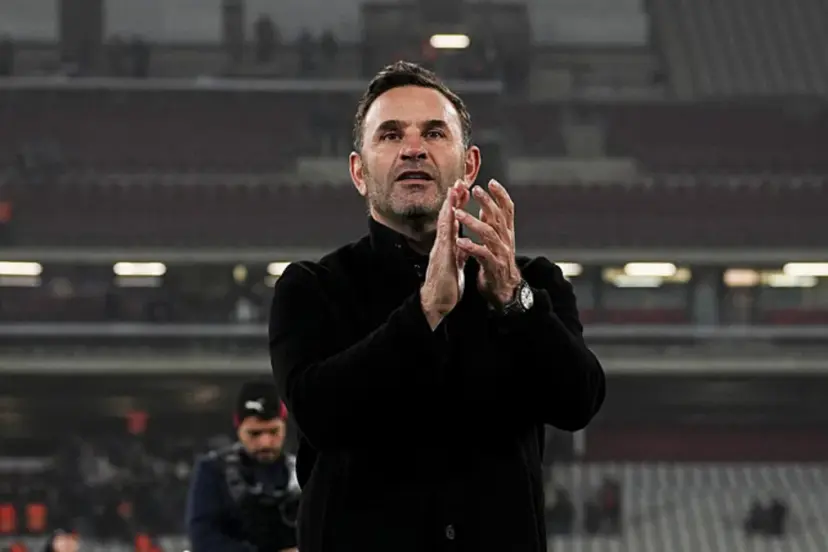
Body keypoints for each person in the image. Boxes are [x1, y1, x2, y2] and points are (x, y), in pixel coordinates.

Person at [269, 60, 606, 552]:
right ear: (359, 172)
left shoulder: (532, 284)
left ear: (469, 165)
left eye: (433, 133)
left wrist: (513, 300)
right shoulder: (312, 288)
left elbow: (579, 402)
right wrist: (424, 312)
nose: (413, 148)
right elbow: (317, 414)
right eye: (390, 135)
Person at [185, 381, 299, 552]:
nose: (265, 443)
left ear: (285, 427)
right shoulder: (213, 471)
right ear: (239, 429)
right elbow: (203, 539)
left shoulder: (303, 472)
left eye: (273, 431)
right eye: (254, 433)